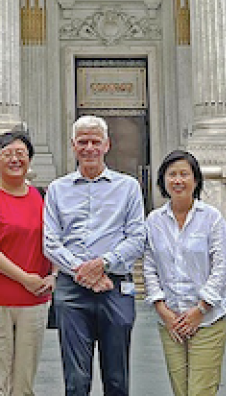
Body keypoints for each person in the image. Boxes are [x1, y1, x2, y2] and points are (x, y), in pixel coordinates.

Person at [43, 115, 147, 396]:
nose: (89, 148)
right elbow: (50, 243)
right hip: (71, 290)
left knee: (117, 377)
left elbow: (138, 238)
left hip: (115, 286)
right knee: (76, 380)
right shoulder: (57, 190)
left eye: (95, 141)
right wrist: (84, 272)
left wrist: (103, 263)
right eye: (83, 142)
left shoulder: (128, 188)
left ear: (107, 145)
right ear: (73, 146)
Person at [0, 130, 56, 396]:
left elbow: (54, 241)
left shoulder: (42, 198)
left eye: (21, 154)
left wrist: (54, 275)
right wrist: (25, 278)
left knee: (25, 381)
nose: (15, 159)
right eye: (7, 154)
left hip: (35, 300)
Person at [142, 150, 226, 396]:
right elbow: (149, 266)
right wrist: (161, 308)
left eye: (184, 174)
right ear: (163, 180)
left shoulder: (212, 218)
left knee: (200, 391)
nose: (178, 180)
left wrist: (200, 309)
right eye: (172, 175)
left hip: (207, 319)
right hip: (170, 320)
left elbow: (221, 266)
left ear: (196, 180)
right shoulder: (154, 221)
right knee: (181, 390)